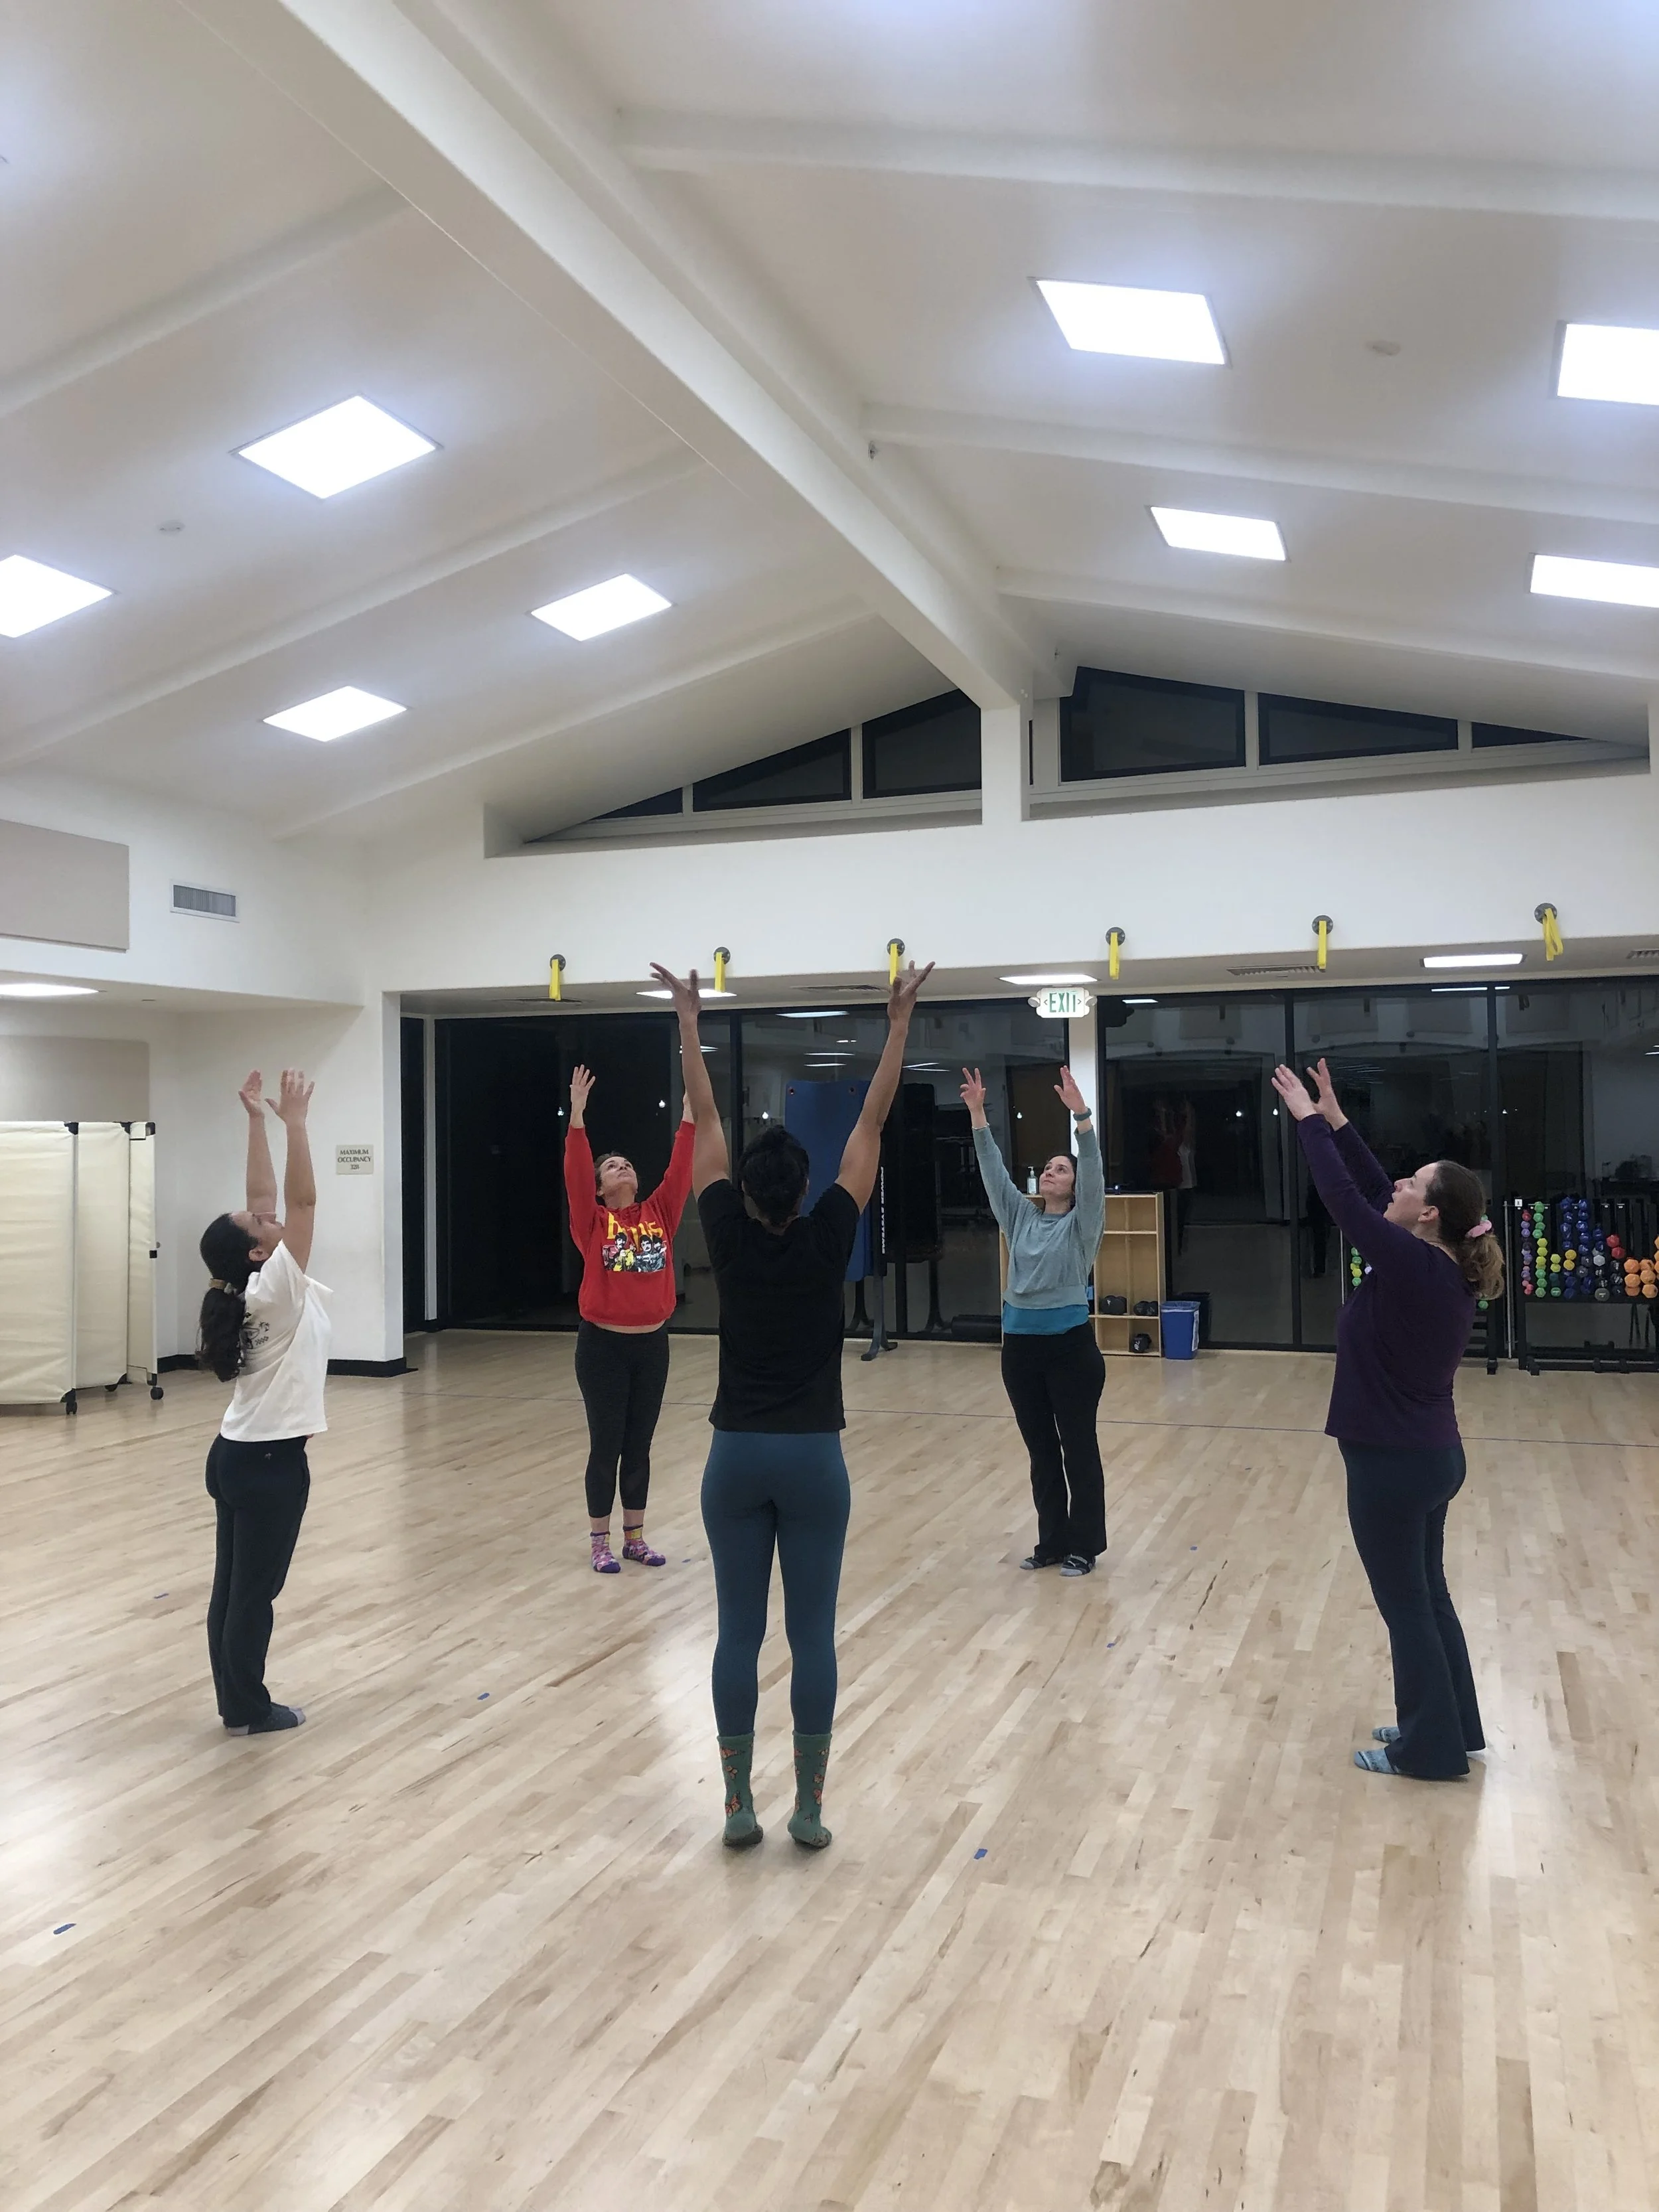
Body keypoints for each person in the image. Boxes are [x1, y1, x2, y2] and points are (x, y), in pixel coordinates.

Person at [652, 953, 932, 1853]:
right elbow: (874, 1119)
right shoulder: (829, 1235)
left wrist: (691, 1025)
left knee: (738, 1633)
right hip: (814, 1458)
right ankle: (808, 1807)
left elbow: (701, 1116)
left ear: (742, 1194)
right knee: (812, 1637)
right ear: (805, 1190)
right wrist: (896, 1028)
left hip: (735, 1458)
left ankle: (738, 1804)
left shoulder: (725, 1235)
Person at [1270, 1056, 1502, 1780]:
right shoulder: (1435, 1261)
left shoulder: (1414, 1266)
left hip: (1394, 1463)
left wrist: (1308, 1124)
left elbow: (1344, 1199)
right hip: (1427, 1458)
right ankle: (1452, 1723)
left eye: (1413, 1183)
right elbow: (1372, 1187)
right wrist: (1337, 1118)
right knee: (1426, 1595)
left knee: (1406, 1605)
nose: (1398, 1185)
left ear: (1429, 1212)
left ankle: (1427, 1751)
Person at [196, 1069, 327, 1736]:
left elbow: (266, 1199)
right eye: (260, 1221)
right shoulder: (277, 1288)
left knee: (233, 1590)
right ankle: (249, 1706)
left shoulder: (245, 1285)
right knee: (253, 1594)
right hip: (269, 1465)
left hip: (237, 1457)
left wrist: (255, 1118)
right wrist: (295, 1125)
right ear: (256, 1249)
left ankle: (234, 1703)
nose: (270, 1215)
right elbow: (301, 1206)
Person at [962, 1065, 1107, 1576]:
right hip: (1020, 1351)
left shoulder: (1082, 1226)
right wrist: (979, 1114)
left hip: (1070, 1351)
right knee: (1042, 1453)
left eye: (1061, 1169)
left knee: (1078, 1451)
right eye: (1048, 1166)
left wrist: (1081, 1118)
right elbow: (993, 1173)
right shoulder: (1020, 1217)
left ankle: (1084, 1545)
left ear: (1075, 1185)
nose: (1052, 1171)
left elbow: (1093, 1172)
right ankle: (1051, 1542)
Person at [565, 1067, 693, 1573]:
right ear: (599, 1189)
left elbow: (681, 1171)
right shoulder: (592, 1222)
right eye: (612, 1166)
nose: (622, 1167)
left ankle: (635, 1537)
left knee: (640, 1444)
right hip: (602, 1348)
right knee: (607, 1445)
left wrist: (689, 1116)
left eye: (626, 1164)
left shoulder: (659, 1213)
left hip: (652, 1346)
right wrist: (577, 1117)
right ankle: (599, 1540)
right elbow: (575, 1174)